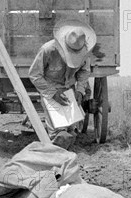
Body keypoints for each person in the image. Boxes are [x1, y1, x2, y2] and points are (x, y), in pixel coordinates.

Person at [28, 21, 96, 149]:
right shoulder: (47, 50)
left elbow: (84, 71)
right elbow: (34, 75)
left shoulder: (83, 51)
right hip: (50, 91)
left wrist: (80, 91)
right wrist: (53, 93)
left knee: (71, 130)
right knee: (59, 133)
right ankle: (56, 154)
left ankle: (65, 148)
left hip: (69, 90)